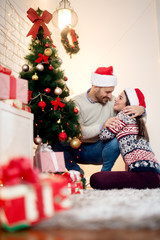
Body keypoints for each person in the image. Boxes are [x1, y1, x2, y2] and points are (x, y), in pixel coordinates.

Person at [53, 66, 145, 175]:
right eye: (107, 92)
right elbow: (78, 133)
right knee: (56, 144)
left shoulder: (112, 102)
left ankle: (105, 174)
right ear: (95, 87)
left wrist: (142, 109)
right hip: (78, 149)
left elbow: (131, 116)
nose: (111, 96)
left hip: (100, 150)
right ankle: (77, 174)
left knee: (117, 139)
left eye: (112, 92)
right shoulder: (76, 102)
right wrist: (102, 126)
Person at [90, 88, 160, 189]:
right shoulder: (138, 120)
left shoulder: (124, 115)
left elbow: (104, 136)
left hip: (143, 173)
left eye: (120, 98)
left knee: (96, 179)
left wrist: (106, 123)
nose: (116, 99)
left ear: (128, 105)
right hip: (155, 172)